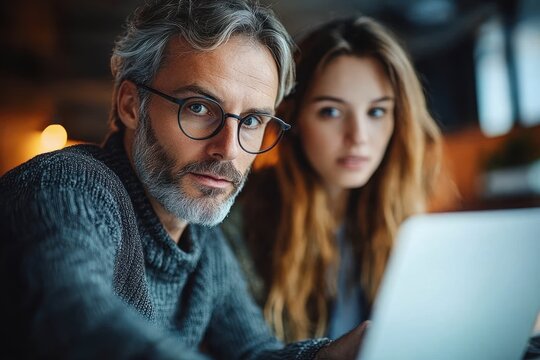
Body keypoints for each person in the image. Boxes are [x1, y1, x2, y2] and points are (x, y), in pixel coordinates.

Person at [0, 1, 368, 359]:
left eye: (252, 121)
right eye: (198, 108)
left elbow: (254, 351)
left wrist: (330, 355)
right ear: (131, 104)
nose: (228, 150)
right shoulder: (65, 184)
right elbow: (78, 319)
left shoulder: (200, 235)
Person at [221, 16, 442, 342]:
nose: (358, 137)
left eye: (377, 112)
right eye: (331, 112)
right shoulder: (239, 219)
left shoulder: (401, 218)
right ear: (291, 118)